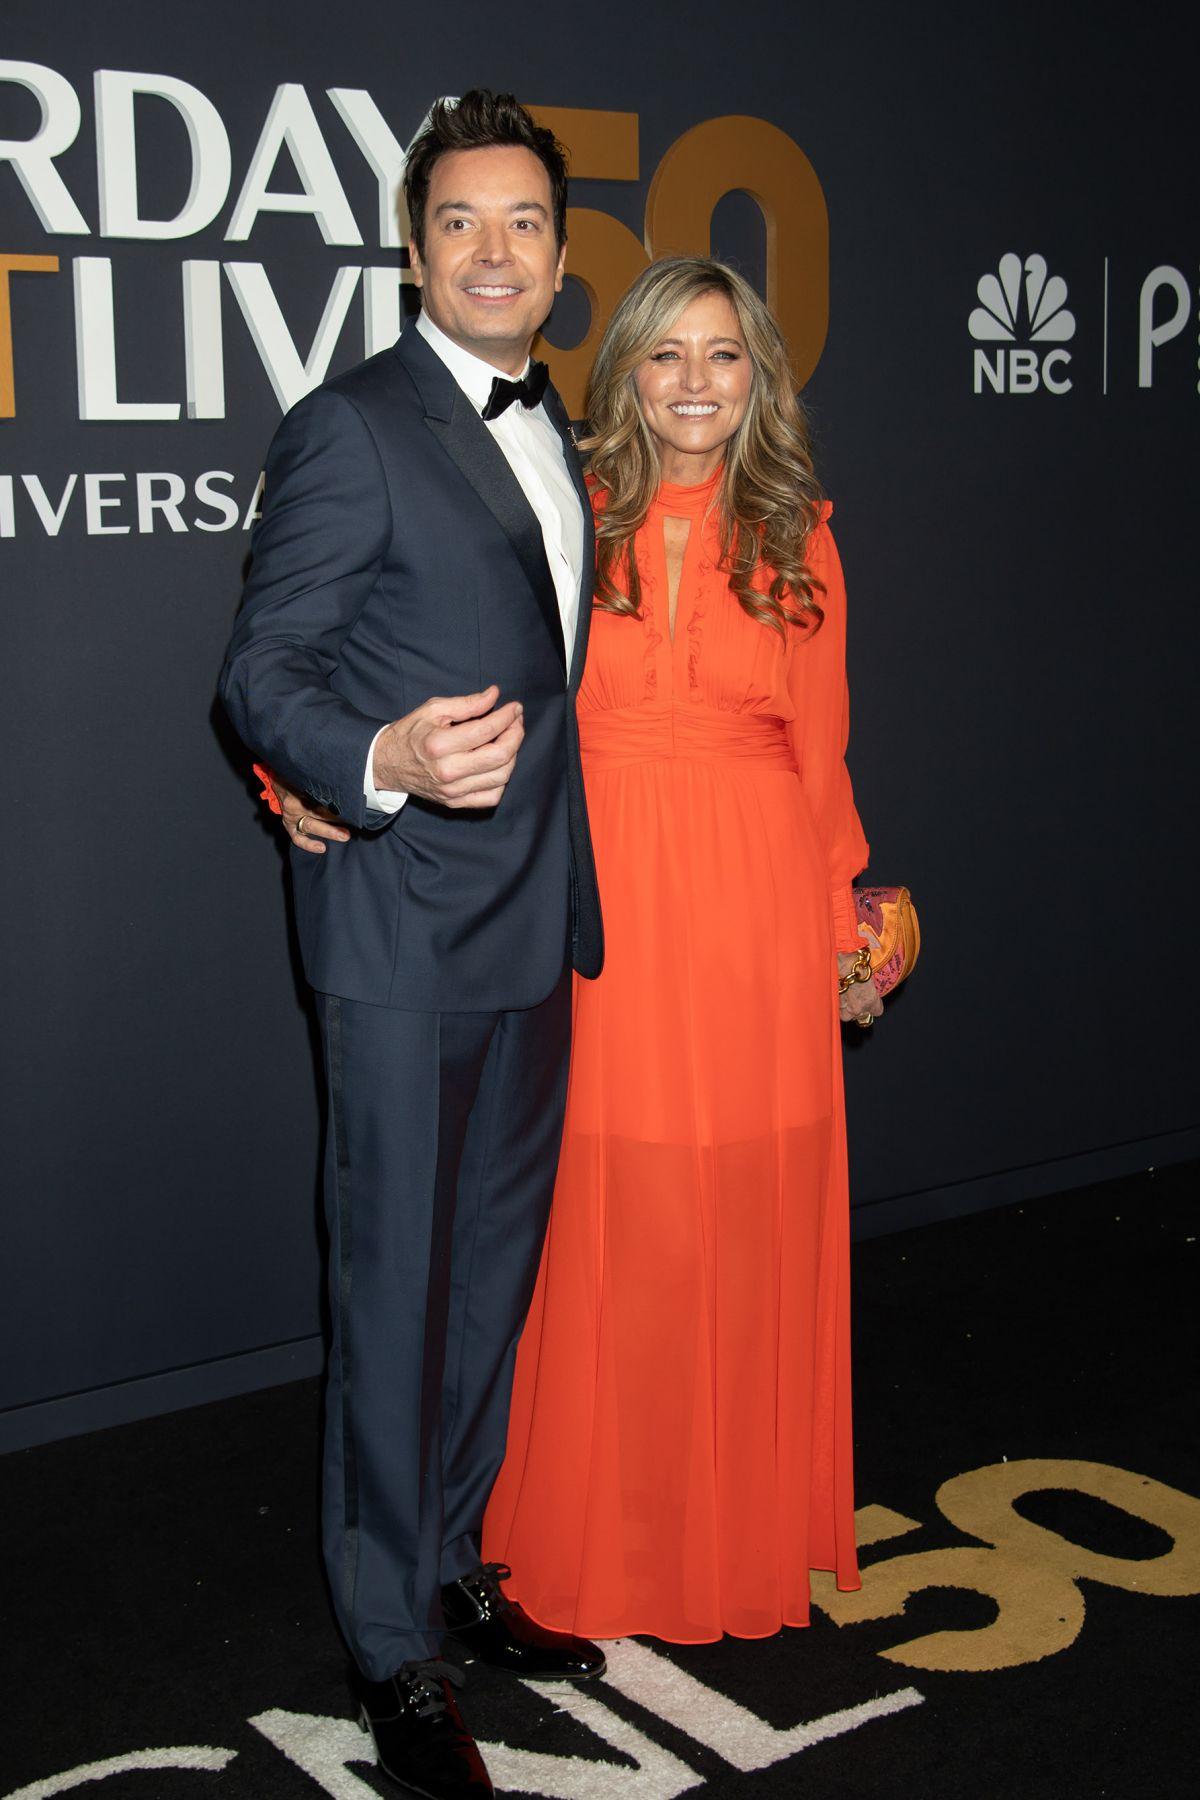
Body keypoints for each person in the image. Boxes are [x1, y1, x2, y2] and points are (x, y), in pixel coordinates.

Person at [271, 258, 880, 1642]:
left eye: (723, 355)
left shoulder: (803, 536)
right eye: (666, 354)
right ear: (626, 373)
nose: (694, 384)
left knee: (738, 1225)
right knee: (596, 1227)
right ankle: (577, 1539)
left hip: (751, 919)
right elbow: (394, 649)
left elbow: (822, 755)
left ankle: (724, 1536)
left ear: (760, 375)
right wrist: (305, 775)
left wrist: (842, 923)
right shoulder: (565, 504)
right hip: (594, 912)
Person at [220, 92, 606, 1800]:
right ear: (414, 248)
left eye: (523, 222)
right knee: (394, 1299)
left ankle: (449, 1568)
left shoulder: (557, 424)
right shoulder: (353, 428)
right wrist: (369, 763)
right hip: (399, 936)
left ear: (562, 254)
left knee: (487, 1291)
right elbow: (264, 673)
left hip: (532, 931)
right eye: (461, 221)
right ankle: (387, 1650)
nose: (494, 252)